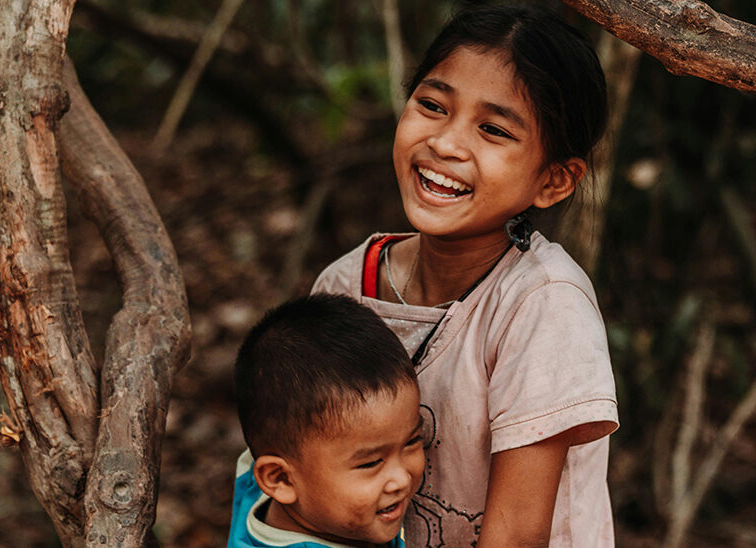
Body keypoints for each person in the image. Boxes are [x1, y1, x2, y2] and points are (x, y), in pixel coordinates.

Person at [312, 4, 619, 547]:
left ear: (553, 181)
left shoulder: (543, 305)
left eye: (493, 130)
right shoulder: (343, 287)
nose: (446, 143)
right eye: (432, 105)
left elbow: (515, 537)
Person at [228, 294, 425, 548]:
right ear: (281, 479)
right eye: (371, 462)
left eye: (412, 441)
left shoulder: (260, 478)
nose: (402, 479)